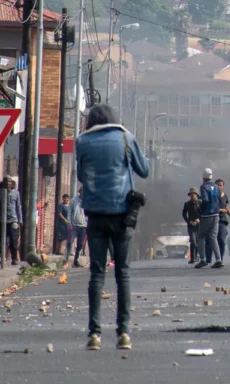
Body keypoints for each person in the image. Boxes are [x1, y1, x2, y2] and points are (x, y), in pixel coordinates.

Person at [76, 104, 150, 351]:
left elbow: (81, 175)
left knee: (97, 274)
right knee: (123, 274)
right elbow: (144, 170)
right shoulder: (125, 138)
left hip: (95, 214)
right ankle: (123, 333)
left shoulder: (82, 141)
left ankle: (94, 334)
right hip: (122, 215)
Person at [195, 169, 222, 269]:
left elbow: (205, 199)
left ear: (203, 177)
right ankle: (218, 259)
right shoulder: (216, 186)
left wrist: (199, 201)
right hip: (216, 214)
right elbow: (218, 199)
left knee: (201, 237)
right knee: (213, 237)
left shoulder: (203, 187)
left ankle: (202, 259)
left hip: (207, 215)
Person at [210, 179, 230, 263]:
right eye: (217, 185)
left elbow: (226, 207)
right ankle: (209, 258)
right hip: (212, 219)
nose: (219, 186)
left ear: (223, 186)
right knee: (212, 239)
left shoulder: (225, 196)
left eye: (220, 185)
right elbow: (211, 207)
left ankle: (220, 258)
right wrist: (220, 210)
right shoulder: (212, 195)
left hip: (222, 220)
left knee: (222, 239)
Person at [0, 179, 23, 265]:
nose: (7, 183)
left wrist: (20, 220)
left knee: (13, 240)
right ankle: (2, 257)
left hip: (13, 220)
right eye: (6, 182)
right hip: (2, 220)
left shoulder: (16, 193)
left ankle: (14, 258)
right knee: (2, 240)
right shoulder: (0, 193)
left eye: (9, 182)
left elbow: (18, 207)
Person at [65, 188, 87, 268]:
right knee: (69, 242)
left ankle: (76, 260)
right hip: (74, 225)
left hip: (83, 226)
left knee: (80, 244)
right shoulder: (74, 200)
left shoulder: (87, 200)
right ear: (79, 192)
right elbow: (69, 212)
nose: (83, 193)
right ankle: (65, 260)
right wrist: (69, 223)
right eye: (82, 192)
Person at [182, 187, 201, 265]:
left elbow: (204, 213)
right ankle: (192, 258)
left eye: (193, 194)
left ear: (196, 195)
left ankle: (196, 256)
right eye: (191, 194)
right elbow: (184, 214)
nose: (192, 195)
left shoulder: (200, 203)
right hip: (191, 225)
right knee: (193, 241)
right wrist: (189, 221)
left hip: (199, 225)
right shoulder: (187, 204)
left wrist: (199, 219)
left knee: (198, 241)